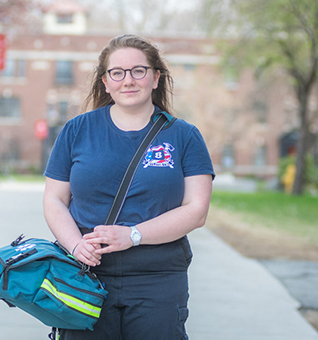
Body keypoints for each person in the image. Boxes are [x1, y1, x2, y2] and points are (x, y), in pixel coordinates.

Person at [43, 34, 214, 340]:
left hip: (158, 277)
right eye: (117, 73)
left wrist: (134, 235)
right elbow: (54, 199)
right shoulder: (76, 131)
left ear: (156, 77)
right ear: (105, 82)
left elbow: (197, 210)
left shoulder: (184, 136)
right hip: (86, 276)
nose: (128, 80)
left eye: (139, 70)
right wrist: (75, 245)